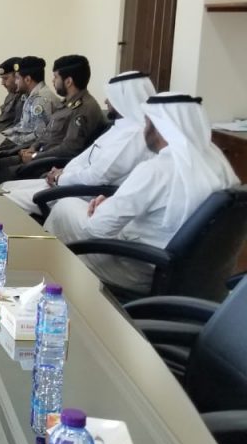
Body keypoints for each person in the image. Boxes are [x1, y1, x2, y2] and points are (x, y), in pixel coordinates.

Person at [45, 93, 239, 295]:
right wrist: (110, 204)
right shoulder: (218, 164)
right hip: (189, 275)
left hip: (139, 269)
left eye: (147, 123)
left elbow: (98, 228)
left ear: (159, 128)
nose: (144, 130)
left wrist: (100, 210)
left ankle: (52, 288)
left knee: (65, 207)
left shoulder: (157, 169)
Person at [1, 71, 156, 214]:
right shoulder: (120, 127)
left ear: (123, 100)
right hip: (68, 181)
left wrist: (60, 177)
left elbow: (97, 176)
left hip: (80, 194)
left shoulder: (133, 136)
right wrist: (63, 172)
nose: (106, 101)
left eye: (111, 97)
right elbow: (86, 158)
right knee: (4, 188)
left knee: (2, 199)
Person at [0, 55, 101, 187]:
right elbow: (46, 133)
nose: (52, 81)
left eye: (56, 77)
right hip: (37, 155)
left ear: (68, 81)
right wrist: (33, 148)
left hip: (46, 165)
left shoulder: (83, 109)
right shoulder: (67, 104)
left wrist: (35, 156)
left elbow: (68, 149)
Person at [0, 56, 59, 148]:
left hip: (33, 150)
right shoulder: (31, 96)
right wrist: (4, 134)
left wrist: (10, 140)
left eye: (17, 78)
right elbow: (23, 127)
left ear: (27, 80)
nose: (16, 82)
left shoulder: (40, 99)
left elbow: (39, 135)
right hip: (25, 146)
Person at [0, 57, 26, 132]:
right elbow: (0, 121)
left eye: (5, 78)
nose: (2, 83)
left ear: (17, 77)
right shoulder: (11, 95)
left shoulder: (26, 98)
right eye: (2, 79)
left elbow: (18, 128)